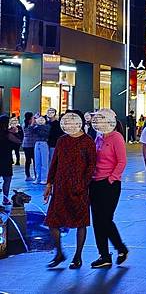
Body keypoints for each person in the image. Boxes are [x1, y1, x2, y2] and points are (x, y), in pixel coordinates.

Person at [44, 110, 96, 269]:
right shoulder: (62, 140)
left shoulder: (87, 141)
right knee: (53, 221)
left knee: (81, 222)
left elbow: (91, 166)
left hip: (79, 188)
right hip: (60, 186)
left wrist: (83, 184)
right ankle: (59, 252)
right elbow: (54, 163)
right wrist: (49, 184)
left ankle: (78, 256)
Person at [89, 109, 129, 268]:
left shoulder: (116, 137)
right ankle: (104, 255)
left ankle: (121, 248)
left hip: (109, 184)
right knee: (97, 221)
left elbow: (122, 161)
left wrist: (111, 179)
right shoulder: (98, 137)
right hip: (95, 182)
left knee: (105, 219)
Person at [33, 114, 50, 184]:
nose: (41, 121)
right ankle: (38, 177)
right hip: (37, 143)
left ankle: (44, 178)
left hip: (44, 143)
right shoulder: (35, 127)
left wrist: (38, 127)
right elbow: (32, 131)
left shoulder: (47, 127)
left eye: (42, 119)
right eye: (39, 119)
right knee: (37, 161)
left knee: (44, 162)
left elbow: (44, 134)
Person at [0, 116, 13, 205]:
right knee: (7, 179)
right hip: (6, 158)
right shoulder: (7, 134)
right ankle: (5, 199)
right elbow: (18, 141)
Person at [22, 112, 35, 181]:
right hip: (30, 145)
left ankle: (28, 176)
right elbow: (30, 129)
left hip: (26, 145)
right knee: (30, 161)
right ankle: (29, 176)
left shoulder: (25, 124)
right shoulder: (27, 125)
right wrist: (33, 122)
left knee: (28, 161)